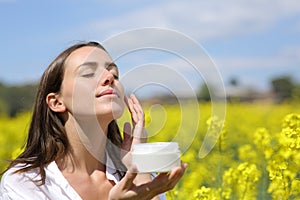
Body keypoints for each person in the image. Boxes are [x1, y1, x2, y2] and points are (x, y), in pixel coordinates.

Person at [0, 41, 187, 200]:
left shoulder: (140, 176)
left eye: (114, 74)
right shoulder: (26, 183)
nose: (108, 78)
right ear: (56, 102)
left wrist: (140, 169)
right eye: (88, 73)